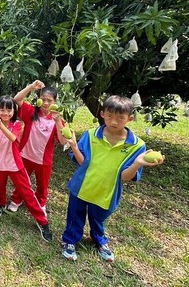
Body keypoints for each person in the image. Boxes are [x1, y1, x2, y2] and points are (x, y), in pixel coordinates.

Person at [61, 95, 165, 262]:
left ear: (130, 118)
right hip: (81, 186)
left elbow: (124, 177)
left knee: (98, 219)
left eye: (120, 118)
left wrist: (138, 163)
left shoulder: (137, 145)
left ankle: (99, 241)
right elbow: (82, 163)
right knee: (75, 216)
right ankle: (70, 241)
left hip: (107, 191)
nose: (114, 122)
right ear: (102, 114)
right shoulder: (91, 135)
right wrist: (73, 145)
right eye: (109, 116)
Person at [0, 96, 53, 242]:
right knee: (0, 186)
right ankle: (1, 204)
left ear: (14, 111)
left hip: (14, 163)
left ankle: (42, 222)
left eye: (9, 109)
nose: (5, 113)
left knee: (26, 192)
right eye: (2, 109)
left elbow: (13, 138)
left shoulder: (17, 124)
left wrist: (0, 125)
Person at [8, 81, 67, 214]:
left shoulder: (58, 119)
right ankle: (17, 199)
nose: (46, 103)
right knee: (22, 180)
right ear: (39, 99)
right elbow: (17, 99)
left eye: (49, 100)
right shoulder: (31, 112)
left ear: (55, 101)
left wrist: (58, 122)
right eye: (43, 99)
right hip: (25, 154)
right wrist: (31, 87)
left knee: (43, 185)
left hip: (44, 159)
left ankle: (41, 203)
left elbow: (63, 142)